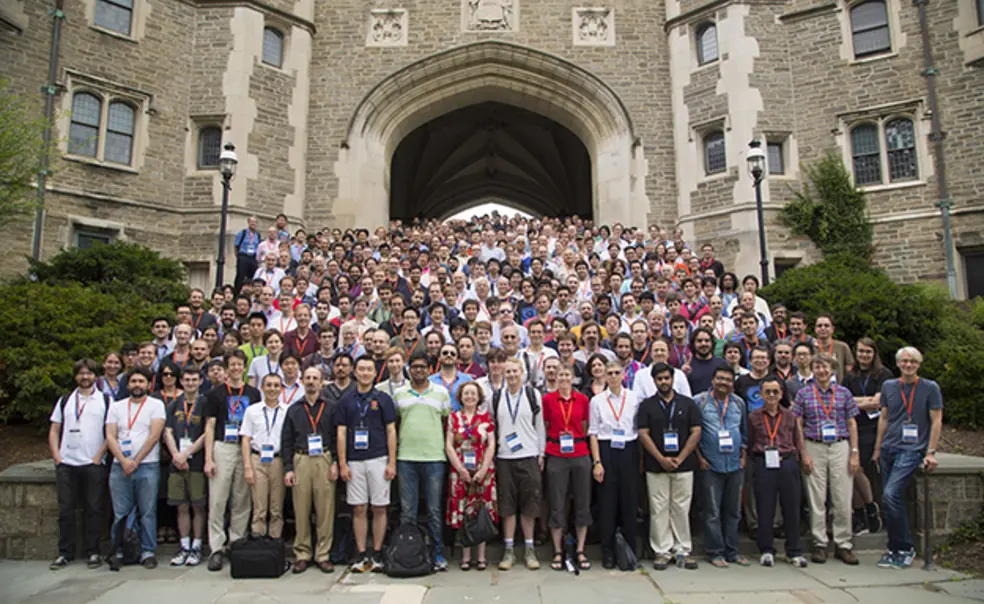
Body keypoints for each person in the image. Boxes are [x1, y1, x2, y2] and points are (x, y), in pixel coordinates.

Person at [872, 347, 943, 570]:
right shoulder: (889, 386)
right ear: (898, 364)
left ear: (919, 364)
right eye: (904, 361)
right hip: (888, 448)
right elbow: (883, 418)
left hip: (912, 449)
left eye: (912, 361)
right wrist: (877, 448)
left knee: (891, 495)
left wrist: (930, 452)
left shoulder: (930, 388)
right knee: (888, 500)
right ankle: (893, 548)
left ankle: (905, 548)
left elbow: (936, 421)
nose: (908, 365)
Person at [793, 353, 861, 565]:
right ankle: (819, 543)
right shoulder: (804, 394)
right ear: (812, 369)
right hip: (815, 445)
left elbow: (852, 423)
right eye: (817, 367)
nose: (821, 371)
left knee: (842, 497)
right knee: (816, 498)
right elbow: (798, 425)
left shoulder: (843, 393)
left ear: (832, 369)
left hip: (840, 445)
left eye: (825, 367)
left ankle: (843, 543)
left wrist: (854, 452)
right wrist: (803, 452)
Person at [202, 350, 262, 571]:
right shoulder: (215, 394)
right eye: (232, 365)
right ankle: (216, 547)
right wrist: (208, 458)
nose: (236, 369)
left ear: (244, 368)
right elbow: (209, 425)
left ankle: (236, 541)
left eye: (239, 365)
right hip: (223, 447)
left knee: (242, 498)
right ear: (226, 369)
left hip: (245, 447)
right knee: (218, 499)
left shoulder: (254, 393)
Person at [638, 362, 701, 570]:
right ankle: (662, 551)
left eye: (667, 378)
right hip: (656, 465)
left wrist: (681, 457)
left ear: (673, 379)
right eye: (660, 379)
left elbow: (696, 431)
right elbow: (643, 434)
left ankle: (682, 549)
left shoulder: (687, 403)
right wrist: (661, 458)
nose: (664, 382)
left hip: (684, 463)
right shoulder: (647, 405)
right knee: (659, 508)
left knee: (681, 507)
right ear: (654, 381)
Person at [48, 359, 111, 570]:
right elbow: (55, 429)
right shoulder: (65, 400)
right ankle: (65, 552)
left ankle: (92, 551)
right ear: (76, 376)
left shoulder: (106, 401)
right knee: (66, 510)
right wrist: (57, 456)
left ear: (96, 376)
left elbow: (111, 433)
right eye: (81, 374)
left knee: (94, 509)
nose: (85, 377)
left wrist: (99, 455)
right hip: (67, 463)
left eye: (89, 374)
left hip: (93, 463)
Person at [392, 352, 453, 571]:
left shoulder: (441, 393)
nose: (419, 370)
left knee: (434, 510)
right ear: (409, 369)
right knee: (408, 511)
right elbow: (396, 423)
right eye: (415, 367)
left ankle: (437, 554)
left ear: (430, 369)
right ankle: (408, 553)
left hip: (434, 458)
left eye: (423, 367)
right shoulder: (400, 394)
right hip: (406, 458)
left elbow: (446, 422)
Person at [338, 356, 398, 573]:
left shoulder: (383, 399)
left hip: (378, 458)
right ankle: (362, 553)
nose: (364, 373)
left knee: (379, 507)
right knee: (359, 508)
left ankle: (378, 552)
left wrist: (392, 461)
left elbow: (391, 430)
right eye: (361, 369)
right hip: (354, 460)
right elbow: (341, 432)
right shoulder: (346, 400)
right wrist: (343, 463)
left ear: (375, 373)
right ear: (355, 372)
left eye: (368, 370)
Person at [104, 368, 167, 570]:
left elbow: (154, 436)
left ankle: (147, 551)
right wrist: (123, 460)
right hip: (119, 466)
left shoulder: (156, 405)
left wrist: (136, 461)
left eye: (141, 381)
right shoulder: (116, 406)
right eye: (133, 381)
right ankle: (120, 550)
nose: (137, 385)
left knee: (147, 511)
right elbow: (110, 436)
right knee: (121, 512)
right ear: (128, 384)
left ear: (148, 385)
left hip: (147, 465)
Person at [282, 367, 339, 573]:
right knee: (301, 509)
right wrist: (288, 468)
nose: (311, 382)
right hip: (301, 459)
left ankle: (323, 554)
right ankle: (302, 553)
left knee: (325, 509)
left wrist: (335, 462)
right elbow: (286, 440)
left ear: (322, 382)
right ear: (302, 380)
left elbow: (335, 436)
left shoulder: (331, 407)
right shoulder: (294, 409)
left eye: (315, 378)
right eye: (308, 378)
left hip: (324, 458)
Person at [747, 376, 808, 567]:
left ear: (782, 394)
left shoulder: (791, 416)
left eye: (776, 392)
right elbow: (750, 441)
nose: (772, 395)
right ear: (761, 394)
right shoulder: (754, 416)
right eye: (768, 392)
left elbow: (797, 439)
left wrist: (803, 457)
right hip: (764, 462)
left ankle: (794, 551)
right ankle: (766, 549)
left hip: (787, 462)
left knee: (791, 507)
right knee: (765, 508)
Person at [589, 361, 642, 569]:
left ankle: (629, 551)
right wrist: (597, 462)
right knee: (607, 505)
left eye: (616, 372)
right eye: (609, 373)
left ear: (623, 375)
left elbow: (639, 430)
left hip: (628, 449)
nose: (612, 376)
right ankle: (608, 552)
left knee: (629, 503)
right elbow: (593, 433)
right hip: (606, 449)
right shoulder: (597, 401)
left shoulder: (635, 398)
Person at [494, 357, 545, 571]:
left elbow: (540, 426)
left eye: (515, 371)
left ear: (522, 372)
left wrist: (540, 453)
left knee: (529, 505)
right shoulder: (496, 397)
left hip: (529, 454)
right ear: (503, 374)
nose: (512, 376)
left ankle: (529, 549)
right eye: (508, 372)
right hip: (505, 457)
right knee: (507, 506)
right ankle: (508, 551)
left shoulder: (533, 395)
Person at [695, 366, 748, 567]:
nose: (723, 382)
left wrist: (743, 455)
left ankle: (732, 552)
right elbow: (694, 433)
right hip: (710, 464)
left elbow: (743, 433)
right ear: (713, 380)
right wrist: (699, 457)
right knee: (713, 511)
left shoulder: (739, 404)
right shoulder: (699, 402)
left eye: (727, 379)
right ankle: (715, 552)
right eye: (720, 378)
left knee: (733, 511)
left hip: (735, 464)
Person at [541, 365, 592, 571]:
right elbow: (544, 425)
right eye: (560, 375)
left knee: (582, 501)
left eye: (567, 375)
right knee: (557, 502)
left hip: (579, 453)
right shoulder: (547, 400)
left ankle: (580, 550)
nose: (563, 378)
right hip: (556, 453)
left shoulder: (582, 400)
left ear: (573, 378)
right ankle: (557, 550)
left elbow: (585, 424)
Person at [445, 381, 498, 571]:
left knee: (480, 512)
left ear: (479, 397)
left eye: (473, 394)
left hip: (483, 472)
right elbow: (449, 446)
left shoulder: (486, 418)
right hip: (460, 473)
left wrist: (484, 469)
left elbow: (491, 444)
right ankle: (466, 556)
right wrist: (460, 469)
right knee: (463, 513)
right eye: (466, 393)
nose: (469, 397)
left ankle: (481, 556)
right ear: (460, 396)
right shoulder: (453, 418)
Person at [845, 337, 893, 537]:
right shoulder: (850, 375)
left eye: (868, 352)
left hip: (875, 428)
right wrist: (865, 401)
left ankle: (870, 510)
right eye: (861, 351)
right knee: (852, 470)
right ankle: (865, 511)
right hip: (854, 425)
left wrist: (857, 402)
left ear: (874, 354)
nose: (864, 355)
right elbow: (842, 399)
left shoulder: (884, 374)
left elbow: (879, 403)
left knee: (860, 468)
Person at [162, 367, 208, 567]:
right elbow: (168, 432)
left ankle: (197, 546)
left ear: (200, 382)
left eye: (194, 380)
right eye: (187, 380)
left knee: (197, 505)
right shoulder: (174, 405)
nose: (190, 383)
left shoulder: (205, 404)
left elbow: (208, 433)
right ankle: (184, 546)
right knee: (181, 505)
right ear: (181, 381)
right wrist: (176, 455)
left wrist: (187, 453)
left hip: (196, 462)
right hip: (177, 462)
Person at [240, 373, 289, 539]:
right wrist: (247, 467)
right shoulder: (252, 411)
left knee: (276, 508)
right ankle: (258, 542)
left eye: (276, 385)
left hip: (278, 460)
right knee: (259, 506)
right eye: (269, 385)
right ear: (262, 388)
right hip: (257, 460)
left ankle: (275, 544)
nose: (272, 389)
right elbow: (245, 439)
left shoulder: (287, 411)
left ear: (281, 389)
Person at [430, 342, 474, 411]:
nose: (449, 355)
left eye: (453, 354)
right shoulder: (430, 381)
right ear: (439, 358)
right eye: (445, 353)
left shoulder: (467, 380)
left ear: (457, 359)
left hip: (461, 420)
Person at [813, 314, 854, 381]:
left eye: (826, 325)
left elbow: (850, 372)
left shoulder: (842, 347)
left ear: (832, 329)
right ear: (815, 329)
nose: (823, 328)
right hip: (815, 389)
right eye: (819, 326)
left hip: (838, 389)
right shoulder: (810, 348)